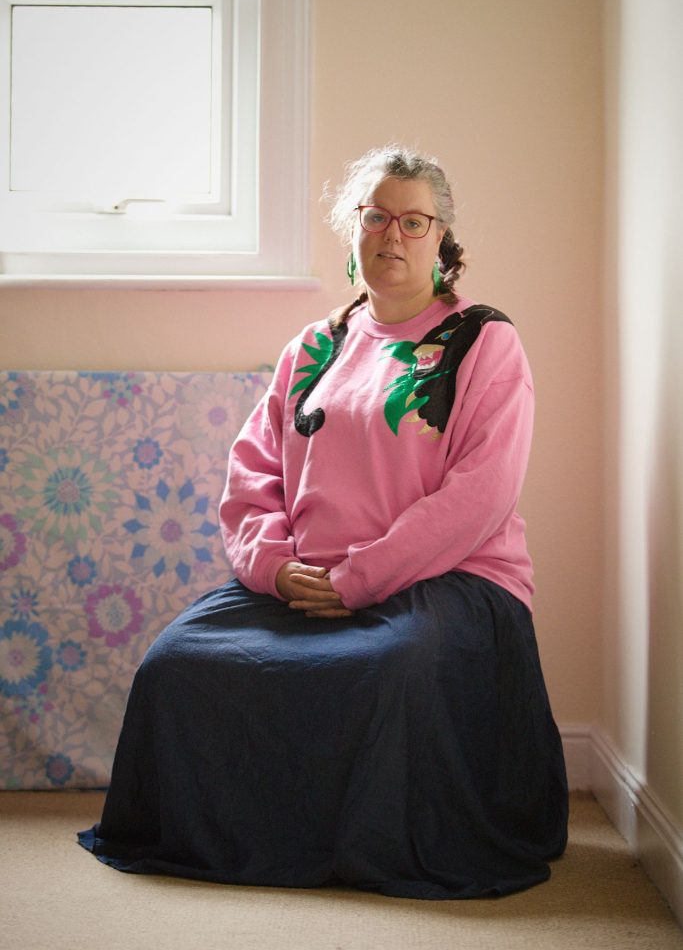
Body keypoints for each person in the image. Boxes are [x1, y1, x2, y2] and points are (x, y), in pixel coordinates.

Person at [78, 146, 568, 899]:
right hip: (302, 578)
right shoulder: (313, 346)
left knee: (390, 668)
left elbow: (480, 496)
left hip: (452, 581)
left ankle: (365, 853)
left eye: (413, 220)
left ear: (441, 239)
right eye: (375, 216)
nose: (391, 235)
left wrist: (359, 579)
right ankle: (243, 843)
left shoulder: (482, 341)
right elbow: (251, 479)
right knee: (175, 663)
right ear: (353, 228)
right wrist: (274, 569)